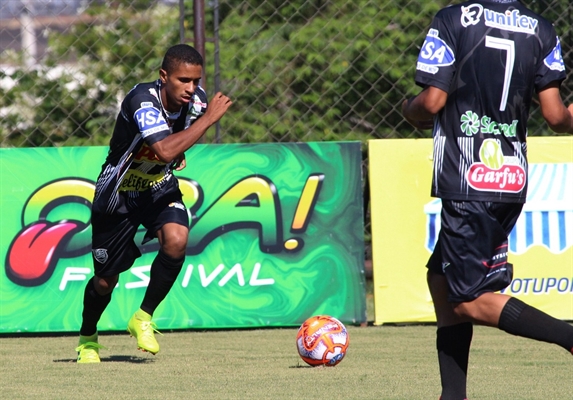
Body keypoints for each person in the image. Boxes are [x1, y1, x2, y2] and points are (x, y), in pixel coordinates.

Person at [402, 1, 573, 398]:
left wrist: (408, 110)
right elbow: (555, 116)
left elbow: (431, 102)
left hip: (467, 178)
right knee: (441, 279)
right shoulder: (541, 29)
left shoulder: (452, 18)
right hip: (509, 176)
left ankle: (568, 335)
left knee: (467, 301)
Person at [75, 44, 232, 363]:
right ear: (163, 77)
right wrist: (208, 122)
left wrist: (183, 143)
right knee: (105, 282)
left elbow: (173, 144)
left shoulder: (197, 101)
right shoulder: (141, 100)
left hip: (158, 186)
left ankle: (143, 317)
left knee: (177, 241)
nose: (191, 88)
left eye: (196, 80)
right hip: (117, 194)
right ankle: (88, 339)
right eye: (183, 80)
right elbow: (162, 151)